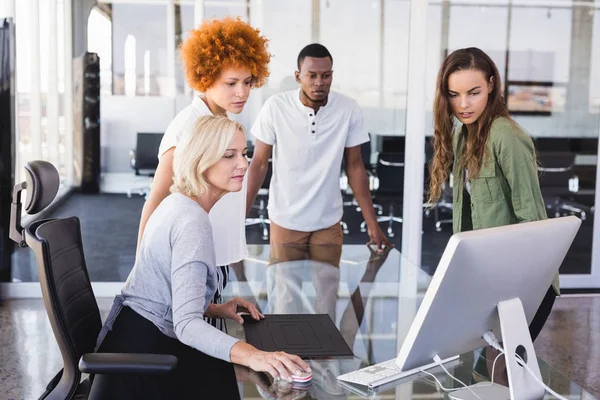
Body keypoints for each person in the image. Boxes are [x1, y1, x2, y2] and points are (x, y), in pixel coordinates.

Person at [90, 116, 310, 400]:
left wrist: (215, 309)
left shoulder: (178, 203)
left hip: (134, 337)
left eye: (244, 153)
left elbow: (165, 292)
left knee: (230, 371)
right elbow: (186, 326)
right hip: (143, 362)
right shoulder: (192, 222)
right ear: (201, 160)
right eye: (229, 155)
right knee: (241, 378)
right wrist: (254, 356)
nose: (243, 164)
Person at [428, 46, 556, 383]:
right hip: (489, 280)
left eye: (474, 92)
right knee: (487, 373)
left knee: (503, 373)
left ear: (491, 85)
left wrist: (517, 288)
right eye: (454, 95)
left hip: (524, 281)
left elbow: (533, 222)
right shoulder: (462, 136)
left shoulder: (506, 136)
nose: (464, 104)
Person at [136, 17, 271, 330]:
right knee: (200, 348)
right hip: (189, 262)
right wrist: (142, 270)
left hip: (211, 259)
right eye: (231, 83)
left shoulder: (219, 122)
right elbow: (157, 198)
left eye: (248, 81)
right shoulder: (189, 126)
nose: (243, 92)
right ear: (206, 77)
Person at [246, 43, 391, 265]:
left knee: (328, 296)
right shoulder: (275, 107)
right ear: (298, 76)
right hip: (286, 221)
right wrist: (240, 216)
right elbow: (259, 164)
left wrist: (372, 223)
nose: (319, 82)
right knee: (286, 297)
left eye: (325, 76)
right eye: (311, 75)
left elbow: (354, 166)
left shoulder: (348, 109)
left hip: (328, 222)